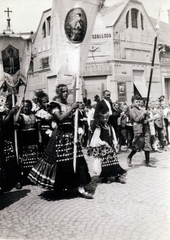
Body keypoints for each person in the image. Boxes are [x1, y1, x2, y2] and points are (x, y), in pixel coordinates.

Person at [28, 84, 93, 199]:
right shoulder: (54, 104)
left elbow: (73, 120)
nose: (66, 93)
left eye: (67, 91)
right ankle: (59, 187)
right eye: (63, 91)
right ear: (58, 92)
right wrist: (72, 108)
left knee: (78, 160)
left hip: (71, 135)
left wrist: (77, 129)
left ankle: (80, 187)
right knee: (62, 162)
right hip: (60, 136)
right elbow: (60, 118)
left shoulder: (68, 105)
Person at [87, 109, 126, 184]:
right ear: (100, 118)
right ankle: (105, 177)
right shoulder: (99, 127)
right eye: (103, 118)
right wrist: (103, 143)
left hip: (110, 145)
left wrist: (115, 142)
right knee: (105, 163)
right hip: (104, 147)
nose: (105, 119)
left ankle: (117, 176)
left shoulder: (110, 126)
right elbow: (96, 137)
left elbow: (113, 134)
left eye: (106, 118)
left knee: (114, 160)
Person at [127, 95, 156, 168]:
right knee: (137, 145)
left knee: (147, 144)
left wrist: (147, 116)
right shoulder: (132, 110)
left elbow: (146, 118)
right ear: (133, 102)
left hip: (146, 128)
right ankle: (129, 157)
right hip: (138, 129)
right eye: (137, 102)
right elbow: (136, 119)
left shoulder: (141, 109)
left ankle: (147, 162)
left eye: (139, 102)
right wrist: (143, 114)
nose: (139, 103)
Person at [17, 100, 40, 184]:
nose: (26, 108)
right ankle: (25, 177)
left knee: (34, 158)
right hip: (25, 138)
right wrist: (19, 109)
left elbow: (38, 128)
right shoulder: (21, 116)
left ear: (30, 107)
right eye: (24, 106)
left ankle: (33, 176)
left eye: (27, 106)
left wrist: (39, 138)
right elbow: (16, 120)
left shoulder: (35, 116)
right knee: (26, 159)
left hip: (33, 138)